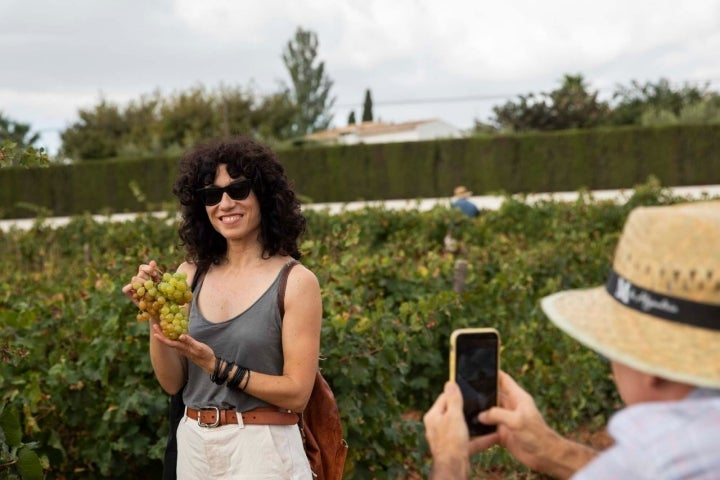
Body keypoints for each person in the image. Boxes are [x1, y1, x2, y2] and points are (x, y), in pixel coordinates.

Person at [424, 200, 720, 479]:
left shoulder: (653, 455)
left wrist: (451, 460)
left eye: (614, 347)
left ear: (651, 361)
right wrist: (552, 450)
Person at [122, 136, 322, 479]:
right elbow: (173, 383)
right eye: (212, 195)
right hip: (195, 445)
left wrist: (215, 365)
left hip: (263, 449)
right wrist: (154, 313)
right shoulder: (189, 275)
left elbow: (298, 393)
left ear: (264, 195)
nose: (225, 203)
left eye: (238, 190)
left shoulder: (296, 281)